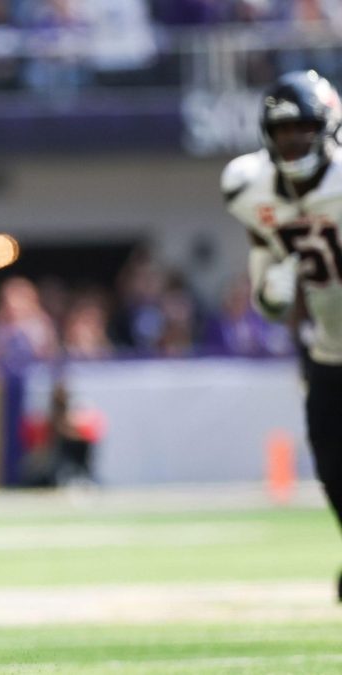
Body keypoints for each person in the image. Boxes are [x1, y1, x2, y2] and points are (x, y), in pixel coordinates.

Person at [222, 69, 342, 601]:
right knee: (333, 468)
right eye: (285, 132)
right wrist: (273, 284)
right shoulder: (250, 187)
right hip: (329, 349)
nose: (294, 142)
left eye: (304, 130)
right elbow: (270, 303)